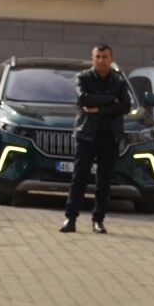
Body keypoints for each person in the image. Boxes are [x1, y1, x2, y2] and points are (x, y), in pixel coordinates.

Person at [59, 45, 131, 234]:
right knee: (79, 178)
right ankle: (70, 218)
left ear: (111, 58)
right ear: (92, 59)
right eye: (97, 56)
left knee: (104, 180)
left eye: (105, 56)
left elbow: (125, 105)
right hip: (86, 135)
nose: (101, 60)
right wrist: (110, 100)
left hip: (110, 136)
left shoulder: (119, 81)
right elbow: (84, 99)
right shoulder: (83, 78)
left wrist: (99, 109)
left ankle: (98, 220)